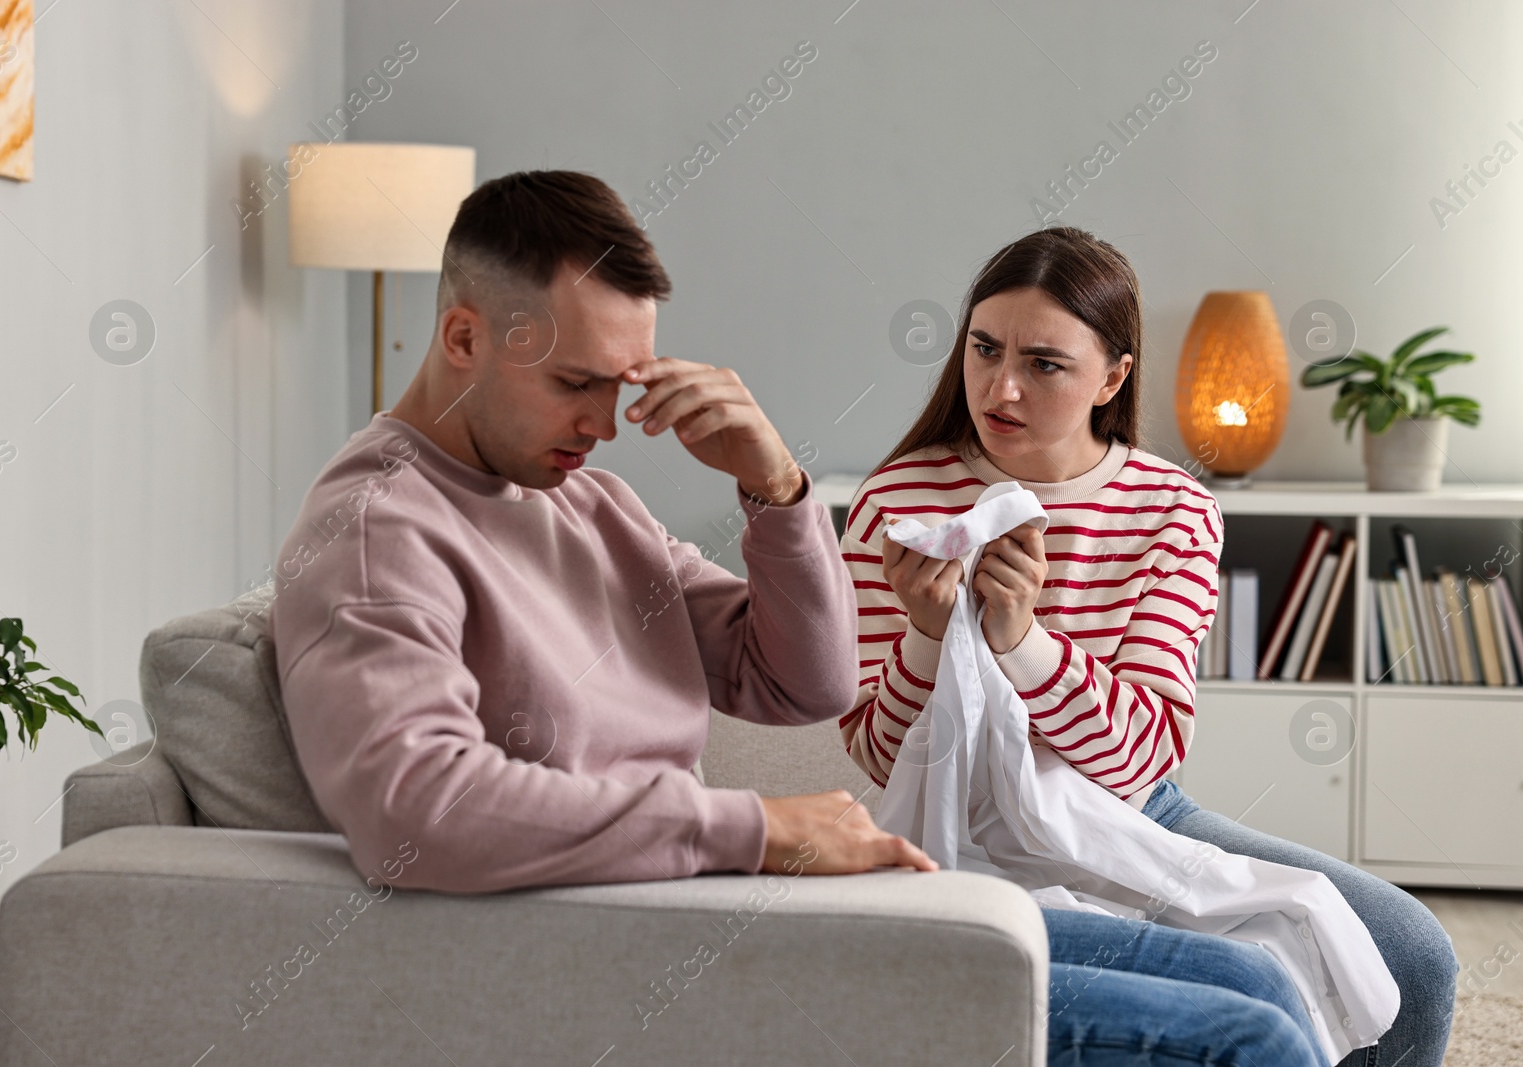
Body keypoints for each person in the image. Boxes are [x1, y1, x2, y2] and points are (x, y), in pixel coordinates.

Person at [271, 171, 1319, 1064]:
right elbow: (413, 807)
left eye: (621, 383)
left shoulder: (577, 497)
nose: (603, 423)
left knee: (1258, 978)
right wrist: (760, 828)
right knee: (1250, 1041)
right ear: (462, 335)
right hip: (630, 943)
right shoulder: (377, 527)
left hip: (707, 896)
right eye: (574, 383)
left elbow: (797, 682)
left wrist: (774, 491)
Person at [840, 225, 1459, 1066]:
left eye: (1045, 364)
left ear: (1114, 376)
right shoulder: (898, 498)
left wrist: (1023, 641)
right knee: (1242, 990)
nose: (1002, 388)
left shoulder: (1172, 509)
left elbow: (1140, 760)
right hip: (959, 826)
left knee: (1415, 956)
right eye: (983, 349)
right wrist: (923, 633)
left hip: (1134, 812)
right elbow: (879, 756)